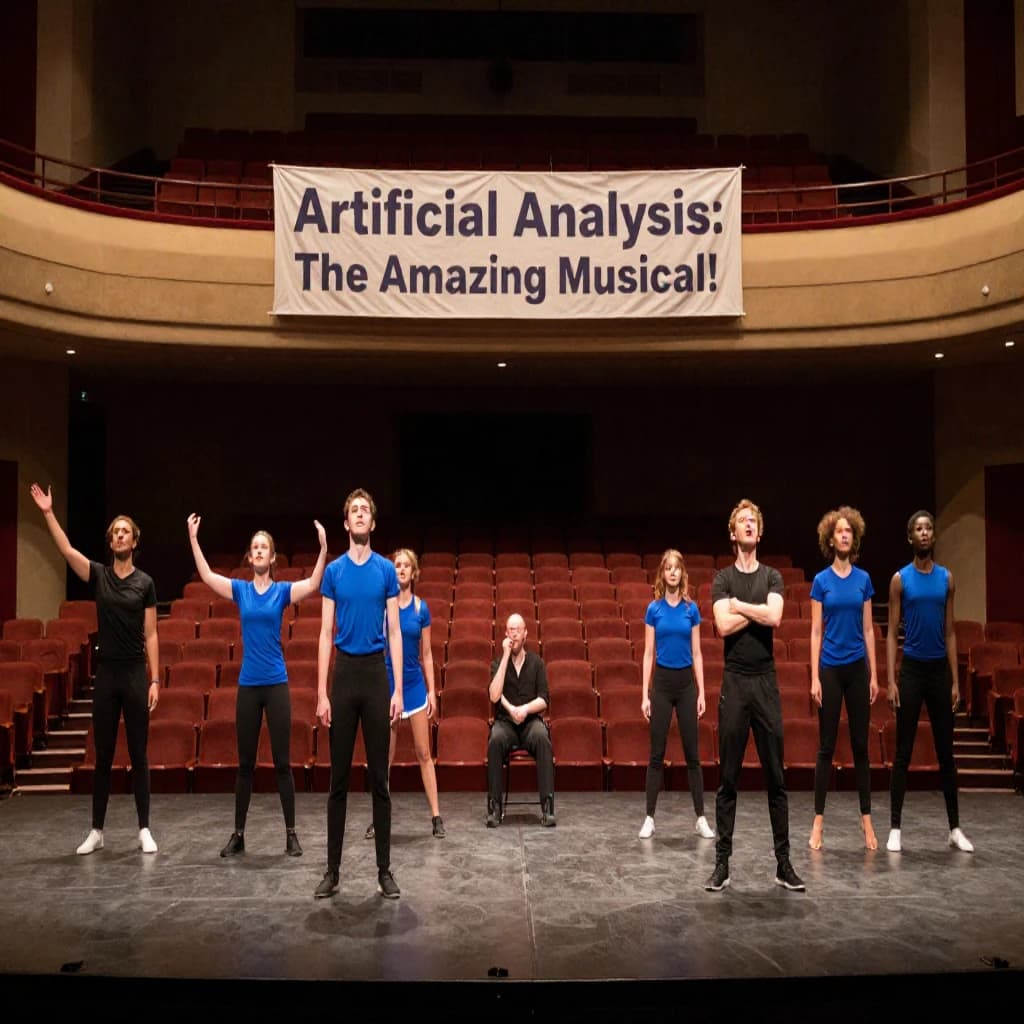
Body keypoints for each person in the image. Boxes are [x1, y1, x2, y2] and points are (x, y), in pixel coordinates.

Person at [187, 514, 327, 858]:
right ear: (249, 558)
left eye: (265, 547)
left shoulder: (280, 592)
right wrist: (193, 539)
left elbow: (311, 585)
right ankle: (239, 834)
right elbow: (207, 576)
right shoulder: (241, 590)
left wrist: (323, 549)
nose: (260, 552)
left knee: (282, 763)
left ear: (273, 557)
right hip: (248, 686)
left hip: (276, 683)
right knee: (245, 764)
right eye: (255, 548)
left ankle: (291, 834)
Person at [30, 483, 159, 855]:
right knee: (102, 755)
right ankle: (97, 831)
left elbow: (151, 634)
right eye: (115, 532)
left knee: (139, 754)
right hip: (107, 675)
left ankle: (144, 829)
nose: (119, 536)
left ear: (134, 541)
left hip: (135, 673)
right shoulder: (99, 575)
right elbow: (67, 550)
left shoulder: (146, 583)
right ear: (111, 541)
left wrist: (154, 679)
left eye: (125, 532)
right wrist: (48, 513)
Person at [706, 499, 804, 892]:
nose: (748, 526)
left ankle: (783, 864)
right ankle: (721, 865)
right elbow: (723, 627)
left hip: (765, 682)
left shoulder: (773, 577)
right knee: (727, 779)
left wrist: (741, 607)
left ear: (759, 533)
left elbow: (776, 617)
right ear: (733, 533)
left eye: (753, 522)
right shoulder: (721, 579)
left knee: (776, 778)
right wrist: (756, 611)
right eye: (742, 522)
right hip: (735, 682)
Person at [314, 489, 403, 900]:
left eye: (366, 509)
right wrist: (321, 692)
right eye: (354, 510)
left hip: (375, 675)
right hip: (345, 675)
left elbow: (396, 632)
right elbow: (324, 634)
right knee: (338, 781)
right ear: (346, 523)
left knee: (380, 781)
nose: (361, 514)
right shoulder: (333, 572)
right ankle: (332, 871)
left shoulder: (386, 570)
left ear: (373, 522)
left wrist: (399, 688)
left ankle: (384, 870)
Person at [886, 510, 974, 853]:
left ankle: (954, 828)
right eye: (918, 529)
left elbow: (950, 631)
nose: (924, 534)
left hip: (938, 672)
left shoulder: (946, 579)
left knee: (946, 754)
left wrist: (954, 680)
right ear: (910, 537)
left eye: (928, 529)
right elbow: (892, 632)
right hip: (911, 671)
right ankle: (895, 828)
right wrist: (891, 678)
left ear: (933, 536)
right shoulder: (899, 580)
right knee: (903, 753)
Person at [808, 507, 879, 851]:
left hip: (856, 669)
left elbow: (869, 629)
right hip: (831, 669)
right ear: (830, 538)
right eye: (839, 531)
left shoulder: (863, 579)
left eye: (850, 530)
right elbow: (816, 631)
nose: (845, 534)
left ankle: (866, 820)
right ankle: (818, 822)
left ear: (855, 537)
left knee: (861, 747)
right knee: (826, 747)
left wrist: (874, 674)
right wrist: (814, 678)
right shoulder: (821, 581)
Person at [365, 548, 445, 841]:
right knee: (384, 758)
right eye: (396, 565)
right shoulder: (383, 608)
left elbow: (426, 653)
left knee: (424, 754)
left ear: (414, 573)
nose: (400, 569)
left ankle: (436, 816)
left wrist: (432, 692)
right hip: (387, 687)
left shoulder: (421, 608)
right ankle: (379, 819)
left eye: (405, 566)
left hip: (414, 687)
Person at [638, 549, 714, 841]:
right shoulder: (653, 609)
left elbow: (697, 652)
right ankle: (649, 817)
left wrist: (701, 691)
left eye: (677, 568)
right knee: (656, 754)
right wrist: (645, 694)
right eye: (668, 568)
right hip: (662, 684)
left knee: (693, 756)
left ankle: (700, 818)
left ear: (683, 574)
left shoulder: (690, 609)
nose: (672, 572)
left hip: (685, 686)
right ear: (663, 574)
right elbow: (647, 654)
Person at [486, 614, 555, 828]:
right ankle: (494, 807)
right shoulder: (498, 663)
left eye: (518, 629)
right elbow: (494, 696)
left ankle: (548, 805)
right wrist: (506, 657)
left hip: (530, 722)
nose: (514, 633)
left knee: (543, 738)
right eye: (510, 629)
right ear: (506, 634)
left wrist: (524, 709)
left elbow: (544, 699)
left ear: (525, 634)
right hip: (506, 722)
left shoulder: (537, 663)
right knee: (495, 740)